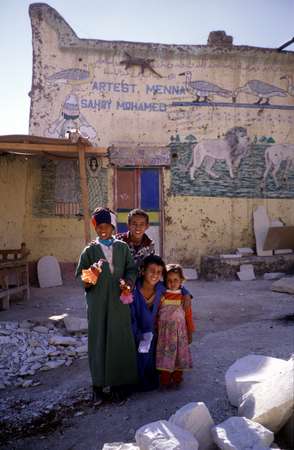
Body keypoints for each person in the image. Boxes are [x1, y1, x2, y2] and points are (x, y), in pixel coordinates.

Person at [76, 207, 138, 404]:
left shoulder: (122, 248)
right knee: (99, 339)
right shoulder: (89, 251)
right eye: (99, 226)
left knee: (120, 338)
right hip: (98, 303)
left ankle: (120, 384)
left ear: (113, 227)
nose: (103, 230)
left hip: (119, 301)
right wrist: (91, 275)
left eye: (107, 226)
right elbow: (82, 279)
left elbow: (131, 270)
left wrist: (128, 283)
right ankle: (99, 386)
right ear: (95, 227)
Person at [156, 264, 195, 389]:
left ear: (181, 281)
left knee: (179, 356)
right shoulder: (162, 295)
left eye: (176, 280)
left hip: (180, 333)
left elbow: (188, 316)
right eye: (169, 280)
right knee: (165, 356)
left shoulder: (184, 297)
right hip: (165, 334)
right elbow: (156, 313)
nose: (172, 283)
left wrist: (190, 332)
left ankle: (177, 379)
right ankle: (165, 380)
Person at [130, 254, 166, 391]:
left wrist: (186, 293)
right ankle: (139, 383)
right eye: (152, 271)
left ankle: (152, 380)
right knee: (141, 357)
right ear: (143, 271)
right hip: (137, 332)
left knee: (152, 359)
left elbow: (178, 286)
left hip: (154, 332)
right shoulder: (132, 290)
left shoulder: (161, 288)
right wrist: (136, 334)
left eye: (159, 272)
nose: (155, 275)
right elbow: (130, 315)